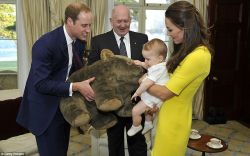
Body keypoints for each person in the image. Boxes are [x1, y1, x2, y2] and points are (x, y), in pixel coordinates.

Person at [16, 3, 95, 156]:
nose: (88, 30)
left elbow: (71, 72)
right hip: (45, 111)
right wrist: (76, 87)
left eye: (90, 25)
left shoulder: (79, 42)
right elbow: (40, 84)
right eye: (84, 25)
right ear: (70, 21)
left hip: (62, 107)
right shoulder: (45, 45)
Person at [147, 1, 214, 156]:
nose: (168, 33)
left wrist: (142, 81)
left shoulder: (199, 55)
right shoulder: (188, 51)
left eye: (170, 29)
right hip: (166, 115)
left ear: (185, 26)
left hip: (174, 121)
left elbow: (165, 92)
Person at [88, 4, 148, 156]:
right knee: (115, 145)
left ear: (130, 20)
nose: (122, 25)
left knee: (138, 143)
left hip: (136, 102)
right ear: (111, 21)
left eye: (126, 21)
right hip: (112, 105)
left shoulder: (142, 39)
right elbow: (92, 72)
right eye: (118, 21)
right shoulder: (98, 41)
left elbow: (149, 69)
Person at [127, 38, 169, 136]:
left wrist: (137, 93)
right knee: (147, 111)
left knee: (135, 111)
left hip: (154, 97)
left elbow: (146, 84)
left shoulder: (158, 69)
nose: (145, 61)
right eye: (144, 58)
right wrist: (141, 63)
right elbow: (149, 67)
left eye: (148, 59)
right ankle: (148, 123)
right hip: (157, 97)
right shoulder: (161, 65)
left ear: (160, 58)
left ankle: (136, 126)